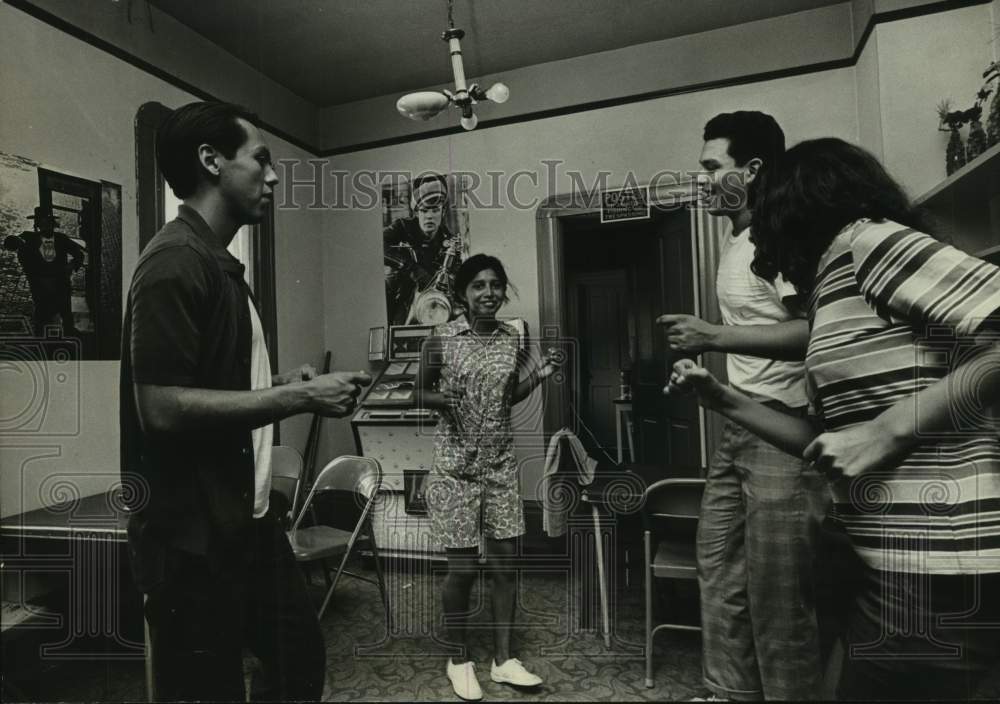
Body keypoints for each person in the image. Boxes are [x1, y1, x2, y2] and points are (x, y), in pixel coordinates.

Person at [668, 137, 1000, 701]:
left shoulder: (868, 241)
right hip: (884, 558)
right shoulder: (828, 288)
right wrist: (723, 400)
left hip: (946, 560)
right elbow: (831, 442)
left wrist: (885, 432)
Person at [119, 100, 372, 701]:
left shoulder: (219, 265)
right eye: (261, 159)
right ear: (211, 161)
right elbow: (161, 406)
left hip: (248, 527)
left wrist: (285, 382)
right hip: (193, 543)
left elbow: (217, 385)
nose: (275, 176)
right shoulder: (175, 263)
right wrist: (298, 397)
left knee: (297, 662)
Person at [657, 111, 828, 700]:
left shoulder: (777, 237)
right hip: (737, 423)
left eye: (712, 168)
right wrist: (707, 372)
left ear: (751, 170)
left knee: (778, 596)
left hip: (782, 431)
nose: (701, 180)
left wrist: (713, 338)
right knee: (720, 572)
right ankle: (727, 693)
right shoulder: (735, 240)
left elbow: (816, 331)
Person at [416, 254, 560, 701]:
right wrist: (443, 397)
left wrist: (538, 375)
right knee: (461, 571)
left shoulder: (512, 337)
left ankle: (503, 660)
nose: (488, 293)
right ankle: (458, 659)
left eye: (495, 284)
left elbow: (507, 395)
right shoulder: (440, 339)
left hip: (498, 467)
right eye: (478, 285)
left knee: (504, 567)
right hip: (456, 468)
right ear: (462, 294)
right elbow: (419, 392)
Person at [383, 174, 463, 326]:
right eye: (424, 211)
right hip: (400, 292)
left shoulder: (450, 241)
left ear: (443, 212)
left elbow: (456, 275)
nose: (429, 217)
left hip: (432, 300)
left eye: (435, 210)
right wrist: (410, 267)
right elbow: (377, 246)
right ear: (416, 212)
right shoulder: (401, 227)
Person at [9, 206, 85, 336]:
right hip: (40, 285)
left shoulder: (62, 239)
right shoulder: (30, 239)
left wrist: (71, 266)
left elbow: (79, 255)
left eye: (48, 223)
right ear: (37, 225)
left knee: (65, 311)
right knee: (41, 314)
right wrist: (16, 240)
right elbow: (12, 241)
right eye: (41, 224)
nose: (45, 227)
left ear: (53, 224)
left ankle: (69, 332)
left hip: (61, 282)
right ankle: (41, 338)